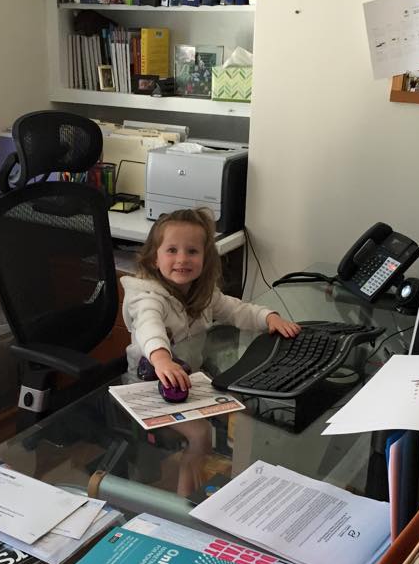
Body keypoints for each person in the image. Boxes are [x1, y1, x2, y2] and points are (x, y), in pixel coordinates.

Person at [121, 207, 300, 495]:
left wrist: (269, 318)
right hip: (149, 384)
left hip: (190, 379)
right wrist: (162, 359)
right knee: (200, 434)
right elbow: (149, 328)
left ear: (205, 259)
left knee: (246, 410)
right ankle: (185, 500)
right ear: (155, 258)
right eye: (172, 250)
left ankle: (230, 482)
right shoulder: (147, 297)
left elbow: (235, 309)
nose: (182, 259)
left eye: (192, 251)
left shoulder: (202, 294)